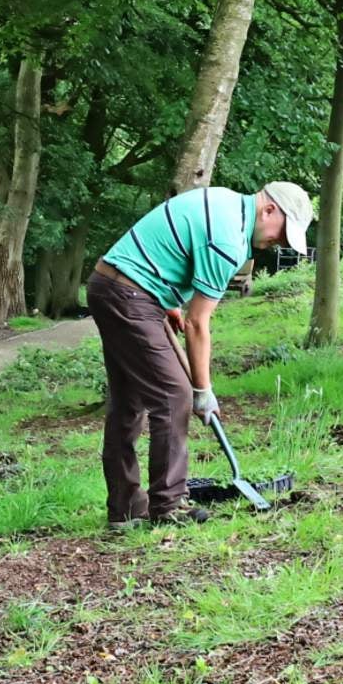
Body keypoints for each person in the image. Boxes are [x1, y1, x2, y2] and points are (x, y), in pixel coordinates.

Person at [89, 181, 315, 527]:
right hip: (131, 295)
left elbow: (171, 250)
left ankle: (125, 511)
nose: (279, 243)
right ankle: (168, 507)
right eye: (283, 234)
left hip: (116, 286)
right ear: (269, 210)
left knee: (129, 401)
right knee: (174, 395)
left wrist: (167, 302)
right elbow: (198, 323)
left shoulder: (224, 202)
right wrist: (202, 391)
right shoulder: (228, 238)